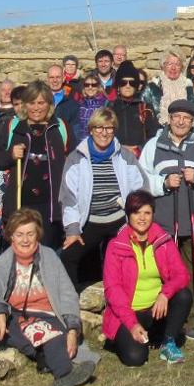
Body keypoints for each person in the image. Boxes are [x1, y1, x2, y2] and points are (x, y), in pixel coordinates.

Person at [0, 208, 98, 386]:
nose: (25, 240)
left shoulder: (49, 256)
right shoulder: (3, 261)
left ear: (38, 235)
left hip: (48, 316)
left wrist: (73, 329)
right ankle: (41, 353)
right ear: (11, 236)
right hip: (17, 316)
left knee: (52, 333)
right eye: (19, 234)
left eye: (30, 234)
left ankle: (63, 374)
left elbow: (67, 293)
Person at [138, 99, 194, 341]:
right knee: (162, 274)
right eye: (177, 116)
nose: (181, 121)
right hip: (162, 225)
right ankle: (161, 322)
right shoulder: (154, 145)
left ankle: (191, 321)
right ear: (169, 118)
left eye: (186, 118)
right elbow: (140, 178)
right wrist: (163, 184)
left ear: (193, 122)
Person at [102, 190, 192, 366]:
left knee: (183, 295)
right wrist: (132, 324)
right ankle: (125, 337)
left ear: (153, 215)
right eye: (136, 212)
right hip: (129, 313)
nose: (142, 218)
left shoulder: (164, 241)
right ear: (128, 215)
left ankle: (168, 341)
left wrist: (165, 293)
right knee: (135, 358)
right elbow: (113, 290)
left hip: (156, 310)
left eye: (147, 213)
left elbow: (182, 275)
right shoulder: (115, 246)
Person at [58, 108, 146, 288]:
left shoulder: (125, 156)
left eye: (109, 128)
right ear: (91, 129)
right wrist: (73, 229)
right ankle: (72, 305)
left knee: (123, 261)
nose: (104, 133)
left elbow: (140, 189)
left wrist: (138, 222)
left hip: (119, 220)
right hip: (90, 221)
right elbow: (69, 197)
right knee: (68, 255)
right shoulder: (76, 158)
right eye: (99, 128)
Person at [0, 81, 71, 249]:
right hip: (20, 205)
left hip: (51, 208)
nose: (36, 108)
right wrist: (11, 155)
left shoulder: (60, 127)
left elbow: (74, 162)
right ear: (25, 105)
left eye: (41, 103)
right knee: (21, 254)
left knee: (48, 256)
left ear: (49, 104)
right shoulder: (13, 127)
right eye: (32, 103)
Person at [111, 61, 156, 151]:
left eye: (132, 83)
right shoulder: (110, 108)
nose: (128, 86)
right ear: (118, 85)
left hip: (139, 158)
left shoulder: (145, 108)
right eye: (123, 82)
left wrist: (138, 149)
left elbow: (153, 136)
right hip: (115, 156)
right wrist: (120, 148)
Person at [143, 49, 194, 127]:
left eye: (177, 64)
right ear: (163, 66)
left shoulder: (188, 86)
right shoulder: (152, 86)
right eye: (170, 64)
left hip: (185, 131)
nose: (173, 68)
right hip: (158, 133)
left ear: (182, 67)